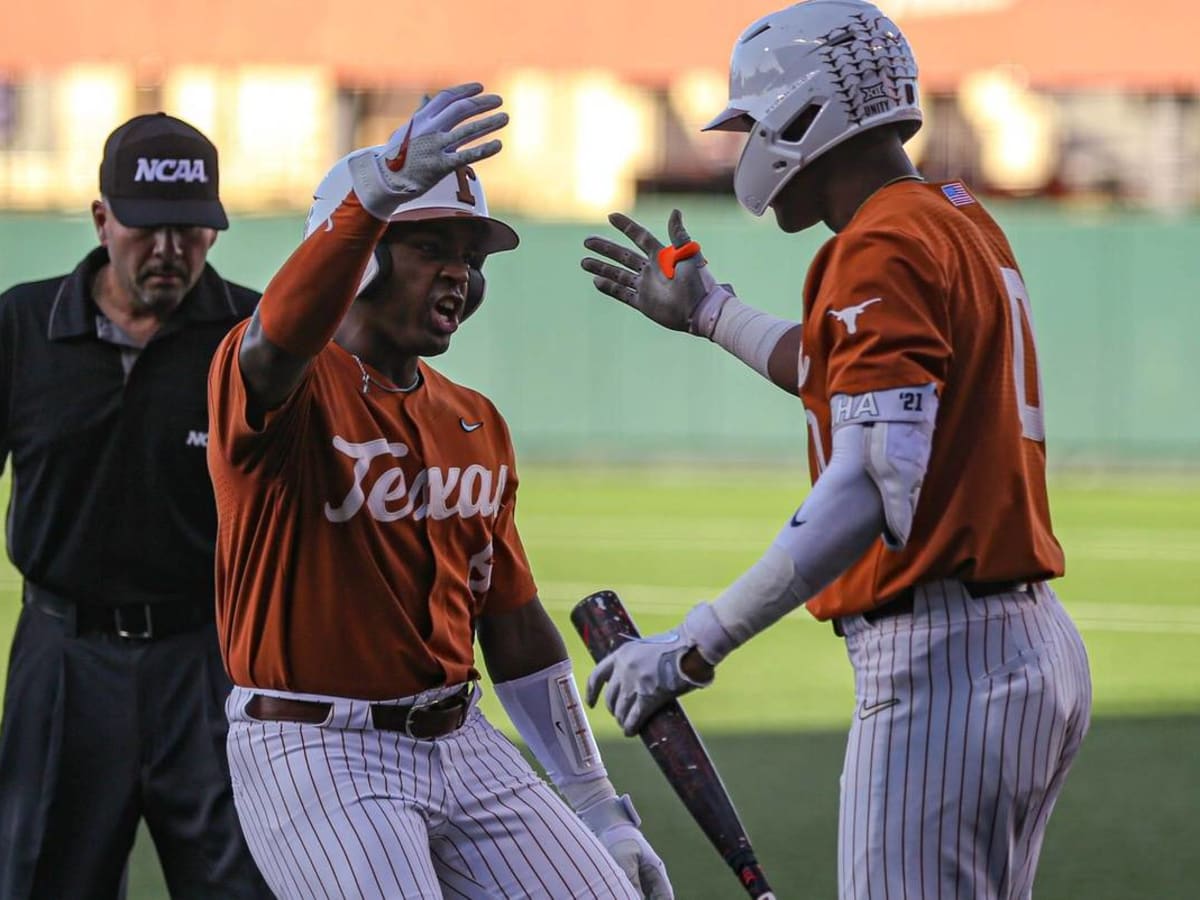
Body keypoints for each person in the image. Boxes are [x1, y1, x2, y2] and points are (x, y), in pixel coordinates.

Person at [580, 3, 1093, 898]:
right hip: (1017, 646)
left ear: (804, 113)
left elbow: (868, 481)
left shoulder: (881, 242)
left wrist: (694, 645)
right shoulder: (950, 216)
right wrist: (710, 313)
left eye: (749, 121)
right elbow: (837, 371)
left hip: (943, 660)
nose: (743, 145)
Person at [205, 82, 673, 900]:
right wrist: (372, 196)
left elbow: (515, 625)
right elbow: (277, 337)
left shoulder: (473, 418)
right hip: (316, 746)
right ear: (362, 252)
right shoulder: (283, 386)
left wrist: (597, 802)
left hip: (463, 738)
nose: (461, 275)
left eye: (473, 257)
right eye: (434, 249)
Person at [0, 113, 270, 898]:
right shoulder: (21, 326)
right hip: (61, 656)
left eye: (189, 230)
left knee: (241, 883)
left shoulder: (254, 337)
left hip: (211, 659)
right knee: (45, 876)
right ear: (101, 220)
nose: (167, 252)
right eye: (147, 230)